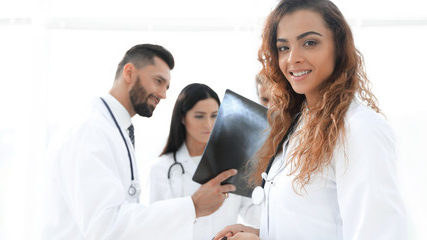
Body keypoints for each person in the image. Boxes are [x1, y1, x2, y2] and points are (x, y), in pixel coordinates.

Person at [214, 0, 407, 239]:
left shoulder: (359, 129)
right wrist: (263, 232)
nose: (293, 58)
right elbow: (315, 224)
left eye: (310, 43)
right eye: (284, 47)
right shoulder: (299, 124)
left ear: (338, 47)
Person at [42, 44, 237, 240]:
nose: (163, 94)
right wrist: (192, 206)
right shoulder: (89, 131)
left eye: (166, 86)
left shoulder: (115, 130)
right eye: (158, 81)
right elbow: (105, 226)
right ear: (129, 72)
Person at [148, 83, 261, 240]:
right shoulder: (161, 169)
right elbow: (155, 225)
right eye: (199, 116)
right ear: (182, 117)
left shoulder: (235, 163)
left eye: (214, 115)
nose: (208, 124)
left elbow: (254, 213)